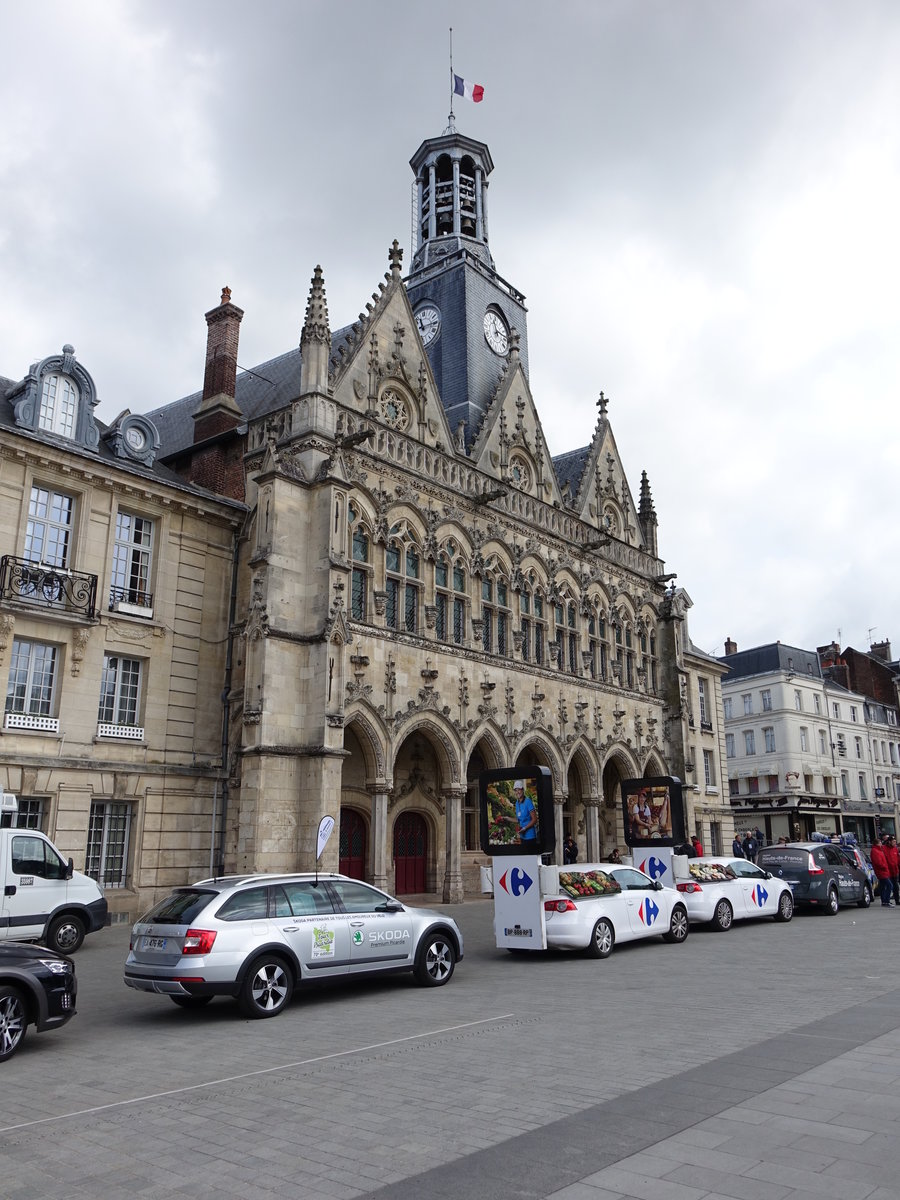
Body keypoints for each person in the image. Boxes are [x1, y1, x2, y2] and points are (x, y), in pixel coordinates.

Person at [870, 836, 891, 906]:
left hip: (883, 870)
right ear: (877, 844)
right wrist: (884, 867)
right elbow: (878, 862)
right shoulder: (875, 851)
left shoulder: (879, 850)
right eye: (880, 842)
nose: (881, 843)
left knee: (883, 886)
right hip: (881, 871)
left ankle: (884, 901)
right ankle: (886, 900)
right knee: (889, 885)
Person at [883, 835, 899, 905]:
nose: (895, 843)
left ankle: (897, 900)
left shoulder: (895, 849)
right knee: (889, 886)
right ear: (889, 842)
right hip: (888, 871)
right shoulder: (884, 849)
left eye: (895, 841)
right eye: (893, 841)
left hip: (895, 871)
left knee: (896, 887)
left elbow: (897, 859)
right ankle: (886, 900)